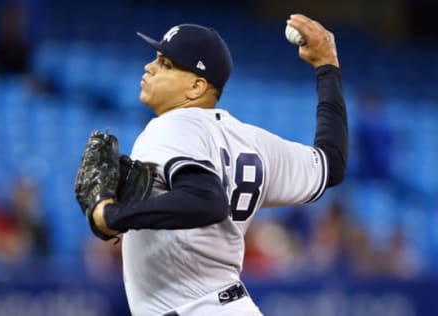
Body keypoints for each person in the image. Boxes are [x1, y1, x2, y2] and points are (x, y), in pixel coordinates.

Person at [87, 14, 348, 315]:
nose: (150, 67)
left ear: (196, 86)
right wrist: (327, 67)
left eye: (166, 64)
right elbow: (332, 162)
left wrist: (111, 215)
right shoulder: (252, 141)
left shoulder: (170, 127)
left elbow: (207, 201)